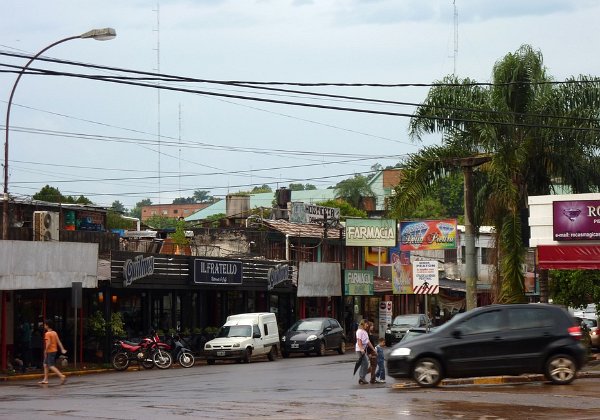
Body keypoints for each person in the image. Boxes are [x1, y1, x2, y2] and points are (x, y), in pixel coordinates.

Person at [39, 319, 67, 385]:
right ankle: (45, 379)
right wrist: (62, 349)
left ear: (47, 326)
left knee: (51, 365)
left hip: (49, 351)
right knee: (45, 364)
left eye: (45, 325)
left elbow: (48, 343)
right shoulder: (54, 333)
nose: (44, 326)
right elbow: (58, 341)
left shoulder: (47, 334)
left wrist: (45, 351)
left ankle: (61, 376)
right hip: (54, 350)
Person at [355, 319, 375, 385]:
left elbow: (368, 342)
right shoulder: (359, 331)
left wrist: (373, 349)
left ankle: (362, 378)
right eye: (366, 324)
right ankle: (362, 378)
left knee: (365, 363)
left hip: (363, 350)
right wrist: (361, 349)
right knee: (365, 363)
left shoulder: (365, 332)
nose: (367, 325)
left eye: (368, 324)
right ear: (363, 324)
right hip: (359, 350)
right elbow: (359, 341)